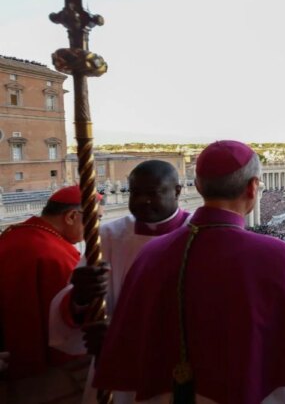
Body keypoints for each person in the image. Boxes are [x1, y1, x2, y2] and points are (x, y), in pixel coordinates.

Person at [93, 140, 285, 403]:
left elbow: (130, 342)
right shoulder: (280, 257)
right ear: (253, 188)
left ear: (197, 187)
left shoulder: (151, 255)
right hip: (257, 392)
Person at [48, 160, 192, 404]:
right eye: (134, 192)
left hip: (177, 360)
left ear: (177, 191)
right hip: (119, 362)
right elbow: (81, 302)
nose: (142, 200)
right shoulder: (109, 235)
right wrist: (81, 297)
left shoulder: (198, 233)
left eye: (152, 193)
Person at [0, 186, 102, 403]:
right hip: (44, 376)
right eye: (95, 219)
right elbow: (68, 318)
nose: (96, 228)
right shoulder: (55, 254)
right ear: (72, 216)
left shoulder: (19, 232)